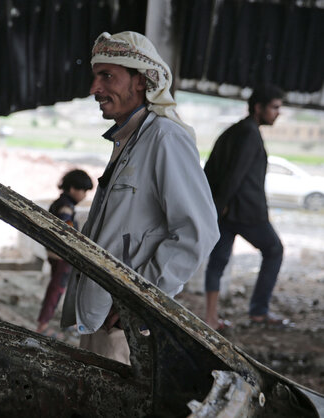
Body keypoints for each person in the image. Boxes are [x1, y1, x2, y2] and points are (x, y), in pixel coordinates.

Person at [60, 31, 219, 365]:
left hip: (127, 324)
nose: (94, 89)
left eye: (107, 77)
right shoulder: (131, 139)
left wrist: (144, 302)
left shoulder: (165, 137)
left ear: (140, 81)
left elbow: (197, 233)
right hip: (105, 316)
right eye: (95, 76)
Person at [203, 84, 289, 330]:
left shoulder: (233, 131)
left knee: (217, 261)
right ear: (258, 107)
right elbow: (235, 175)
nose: (277, 113)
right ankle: (259, 312)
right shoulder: (250, 133)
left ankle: (210, 318)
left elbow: (210, 169)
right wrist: (220, 208)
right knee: (274, 250)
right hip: (246, 212)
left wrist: (215, 207)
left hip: (225, 210)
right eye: (274, 107)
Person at [36, 169, 93, 335]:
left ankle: (52, 322)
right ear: (73, 188)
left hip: (53, 254)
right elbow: (65, 229)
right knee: (57, 288)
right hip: (61, 255)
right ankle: (43, 326)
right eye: (84, 191)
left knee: (57, 287)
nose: (85, 196)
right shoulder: (66, 207)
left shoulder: (59, 202)